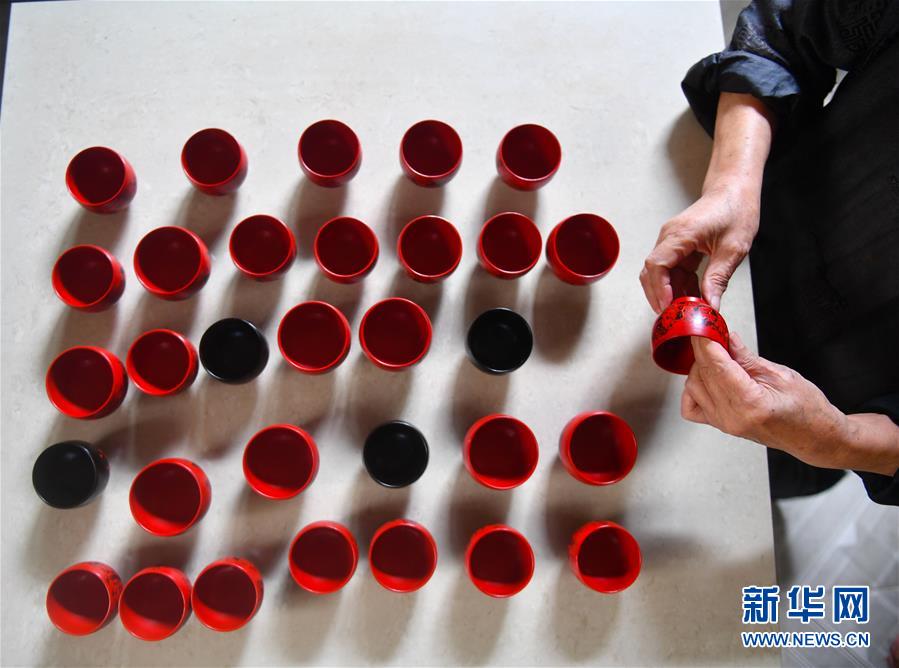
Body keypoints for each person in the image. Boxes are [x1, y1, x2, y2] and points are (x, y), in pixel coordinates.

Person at [641, 0, 899, 505]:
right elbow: (780, 31)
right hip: (733, 225)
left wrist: (841, 440)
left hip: (813, 423)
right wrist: (732, 183)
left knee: (715, 498)